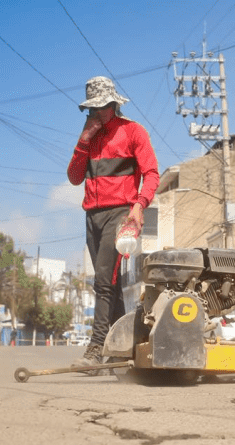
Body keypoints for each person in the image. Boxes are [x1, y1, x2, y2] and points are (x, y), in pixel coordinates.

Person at [67, 76, 160, 370]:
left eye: (103, 107)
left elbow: (152, 173)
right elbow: (74, 177)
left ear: (113, 104)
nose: (98, 113)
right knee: (112, 284)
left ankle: (95, 349)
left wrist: (139, 205)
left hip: (120, 213)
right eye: (92, 109)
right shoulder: (88, 138)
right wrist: (83, 140)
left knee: (103, 282)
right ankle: (123, 348)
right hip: (91, 217)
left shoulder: (133, 132)